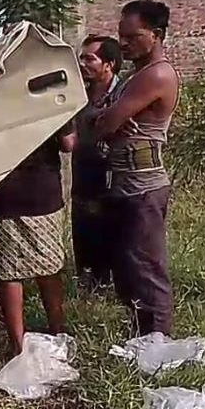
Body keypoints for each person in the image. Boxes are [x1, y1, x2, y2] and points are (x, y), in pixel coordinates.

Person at [95, 0, 179, 336]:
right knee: (129, 266)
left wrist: (111, 118)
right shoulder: (134, 76)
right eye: (122, 37)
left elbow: (104, 123)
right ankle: (141, 336)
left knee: (147, 267)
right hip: (125, 182)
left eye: (133, 36)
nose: (125, 44)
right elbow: (97, 117)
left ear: (156, 35)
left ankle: (158, 343)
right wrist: (108, 117)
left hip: (144, 185)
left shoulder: (156, 74)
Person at [0, 123, 76, 355]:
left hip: (0, 190)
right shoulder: (50, 91)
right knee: (49, 268)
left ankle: (18, 346)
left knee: (9, 273)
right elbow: (68, 143)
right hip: (42, 190)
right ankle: (58, 332)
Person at [72, 35, 122, 290]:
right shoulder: (79, 94)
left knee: (111, 231)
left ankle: (110, 284)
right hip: (83, 171)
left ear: (109, 64)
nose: (83, 63)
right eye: (81, 58)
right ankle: (88, 282)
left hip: (112, 173)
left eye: (89, 58)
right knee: (83, 230)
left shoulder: (123, 94)